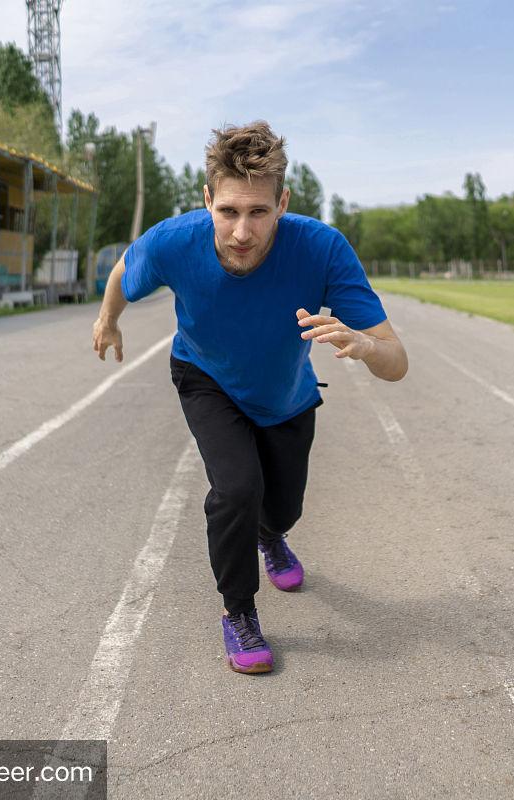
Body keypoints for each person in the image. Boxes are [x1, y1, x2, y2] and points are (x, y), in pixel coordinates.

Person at [92, 121, 407, 674]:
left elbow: (395, 362)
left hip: (285, 394)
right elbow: (124, 267)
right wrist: (107, 319)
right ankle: (239, 613)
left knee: (282, 508)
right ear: (208, 199)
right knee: (237, 488)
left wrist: (362, 343)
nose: (242, 231)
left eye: (259, 212)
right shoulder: (175, 240)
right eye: (229, 211)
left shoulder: (322, 249)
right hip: (204, 375)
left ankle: (272, 536)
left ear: (282, 203)